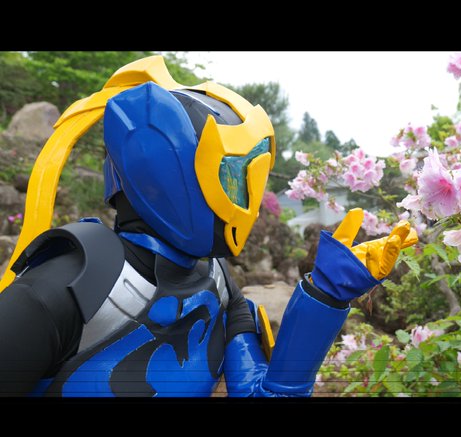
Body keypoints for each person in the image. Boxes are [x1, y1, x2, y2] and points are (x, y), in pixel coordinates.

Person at [0, 56, 417, 397]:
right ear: (163, 168)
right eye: (231, 177)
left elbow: (267, 394)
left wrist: (324, 295)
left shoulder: (215, 280)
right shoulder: (66, 286)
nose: (246, 201)